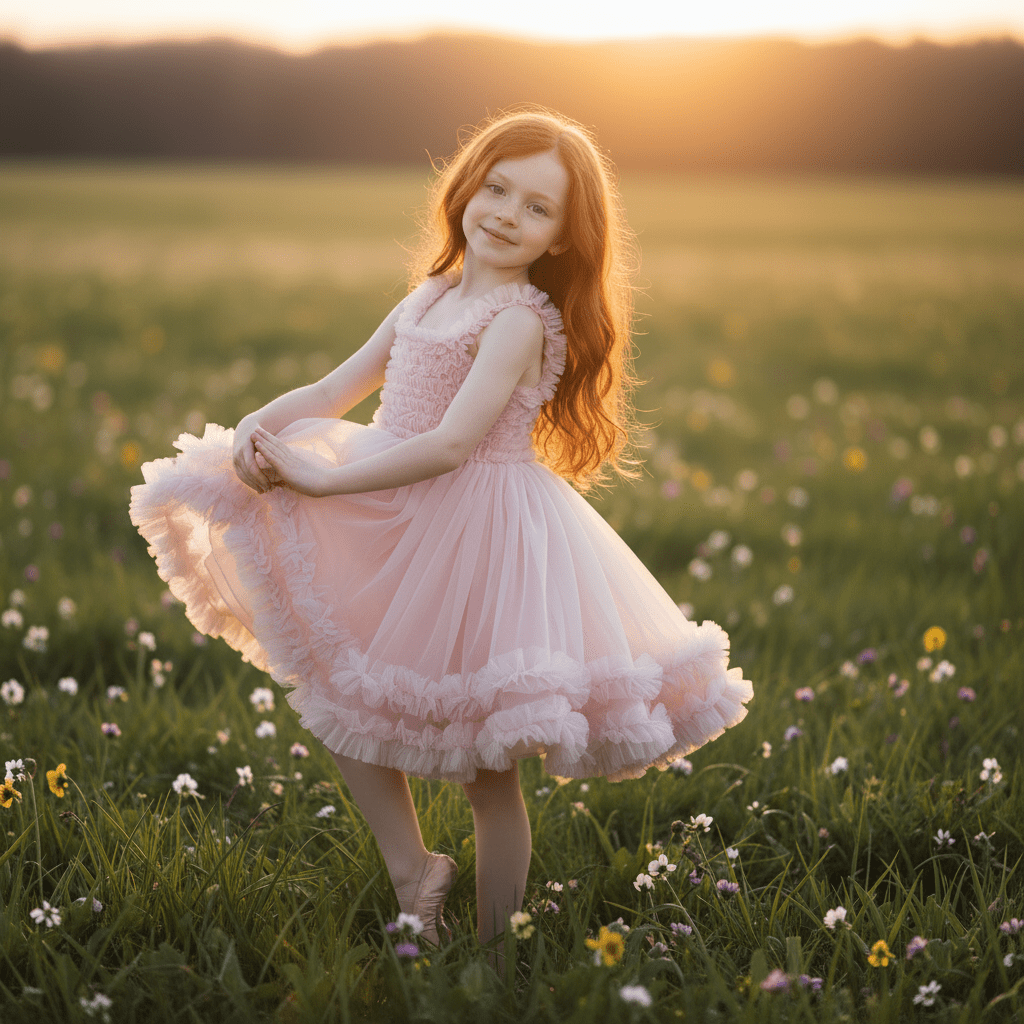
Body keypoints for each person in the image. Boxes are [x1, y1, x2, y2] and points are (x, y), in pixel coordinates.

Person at [129, 107, 752, 957]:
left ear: (566, 236)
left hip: (478, 536)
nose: (506, 213)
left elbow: (452, 444)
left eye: (537, 207)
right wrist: (255, 425)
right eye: (496, 188)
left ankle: (494, 955)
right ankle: (412, 871)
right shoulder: (428, 297)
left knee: (487, 769)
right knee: (341, 689)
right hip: (392, 511)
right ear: (465, 188)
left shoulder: (519, 321)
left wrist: (324, 476)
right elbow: (335, 388)